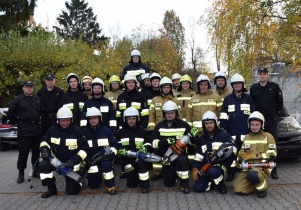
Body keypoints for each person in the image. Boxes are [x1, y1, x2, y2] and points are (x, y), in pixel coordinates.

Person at [38, 107, 88, 198]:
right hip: (56, 161)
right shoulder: (52, 130)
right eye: (62, 121)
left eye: (67, 120)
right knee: (42, 165)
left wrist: (74, 161)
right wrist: (44, 150)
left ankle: (80, 173)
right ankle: (51, 189)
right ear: (58, 120)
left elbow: (84, 149)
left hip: (71, 164)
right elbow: (44, 141)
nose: (65, 123)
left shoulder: (77, 131)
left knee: (72, 192)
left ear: (71, 120)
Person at [151, 100, 191, 194]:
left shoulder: (184, 125)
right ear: (164, 114)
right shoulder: (159, 126)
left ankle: (184, 185)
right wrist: (165, 142)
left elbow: (191, 143)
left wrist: (194, 137)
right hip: (167, 155)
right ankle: (173, 175)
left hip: (180, 154)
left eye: (172, 113)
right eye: (167, 113)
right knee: (168, 184)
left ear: (176, 113)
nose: (170, 115)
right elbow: (154, 142)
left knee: (183, 160)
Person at [219, 73, 254, 181]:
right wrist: (224, 131)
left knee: (246, 154)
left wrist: (252, 131)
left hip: (246, 133)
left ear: (243, 85)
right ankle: (231, 174)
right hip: (232, 133)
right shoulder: (227, 99)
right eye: (235, 84)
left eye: (239, 83)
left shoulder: (249, 98)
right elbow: (223, 116)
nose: (237, 85)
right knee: (231, 155)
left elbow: (253, 115)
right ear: (232, 85)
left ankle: (246, 173)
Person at [233, 111, 277, 198]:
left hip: (262, 167)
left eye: (257, 125)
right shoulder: (246, 137)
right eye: (252, 124)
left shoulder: (268, 137)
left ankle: (262, 189)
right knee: (238, 189)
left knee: (253, 175)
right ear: (249, 125)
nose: (254, 127)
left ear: (262, 125)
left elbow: (272, 155)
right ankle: (255, 183)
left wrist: (254, 157)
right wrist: (241, 159)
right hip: (248, 167)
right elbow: (241, 154)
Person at [250, 67, 283, 179]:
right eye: (260, 74)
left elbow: (280, 103)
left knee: (272, 145)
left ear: (268, 75)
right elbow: (251, 104)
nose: (262, 76)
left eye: (264, 74)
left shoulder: (274, 87)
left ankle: (273, 170)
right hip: (258, 122)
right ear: (258, 76)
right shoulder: (253, 88)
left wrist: (273, 113)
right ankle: (259, 167)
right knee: (258, 144)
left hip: (271, 121)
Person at [191, 111, 235, 194]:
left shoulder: (224, 135)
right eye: (206, 123)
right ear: (203, 125)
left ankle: (221, 186)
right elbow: (198, 156)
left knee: (213, 171)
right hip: (205, 167)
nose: (209, 125)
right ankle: (213, 183)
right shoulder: (201, 139)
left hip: (220, 166)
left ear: (215, 123)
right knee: (198, 188)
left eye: (211, 123)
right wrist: (195, 168)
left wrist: (222, 157)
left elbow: (233, 148)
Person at [7, 80, 42, 184]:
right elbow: (10, 114)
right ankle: (21, 173)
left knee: (36, 152)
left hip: (36, 130)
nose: (29, 88)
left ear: (33, 88)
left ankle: (35, 171)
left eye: (31, 86)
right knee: (23, 153)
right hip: (24, 130)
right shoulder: (18, 100)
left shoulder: (38, 99)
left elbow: (41, 112)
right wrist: (18, 122)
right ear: (23, 88)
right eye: (27, 86)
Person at [116, 107, 152, 193]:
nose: (131, 121)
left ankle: (144, 185)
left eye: (133, 118)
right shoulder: (120, 132)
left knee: (142, 166)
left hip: (141, 157)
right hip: (128, 159)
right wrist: (121, 150)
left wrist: (145, 148)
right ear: (125, 119)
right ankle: (134, 177)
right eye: (129, 119)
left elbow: (149, 144)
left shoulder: (143, 131)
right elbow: (117, 145)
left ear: (137, 119)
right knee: (131, 185)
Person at [82, 107, 117, 195]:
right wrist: (86, 160)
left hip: (104, 158)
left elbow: (114, 145)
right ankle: (98, 177)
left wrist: (111, 153)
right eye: (90, 118)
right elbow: (81, 148)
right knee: (93, 185)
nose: (93, 120)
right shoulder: (84, 132)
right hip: (92, 161)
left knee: (107, 165)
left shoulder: (106, 131)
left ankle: (111, 187)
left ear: (99, 118)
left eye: (95, 118)